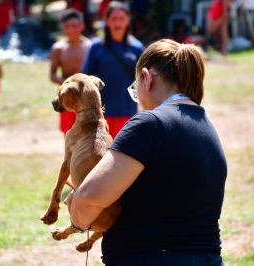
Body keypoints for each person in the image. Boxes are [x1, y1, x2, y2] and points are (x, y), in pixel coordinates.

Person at [69, 39, 227, 265]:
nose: (139, 100)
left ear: (147, 77)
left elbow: (89, 197)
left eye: (135, 89)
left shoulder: (149, 124)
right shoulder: (205, 125)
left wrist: (77, 217)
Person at [82, 1, 144, 138]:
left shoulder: (137, 48)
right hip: (100, 114)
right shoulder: (96, 47)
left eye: (121, 19)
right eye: (114, 19)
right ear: (106, 21)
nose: (118, 23)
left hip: (128, 114)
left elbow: (144, 80)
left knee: (124, 157)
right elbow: (86, 79)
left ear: (128, 21)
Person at [50, 8, 91, 134]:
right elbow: (52, 75)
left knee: (87, 135)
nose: (71, 30)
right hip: (66, 99)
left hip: (86, 99)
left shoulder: (90, 47)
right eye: (67, 26)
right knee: (68, 134)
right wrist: (68, 85)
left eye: (74, 26)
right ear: (63, 27)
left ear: (82, 26)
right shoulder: (58, 48)